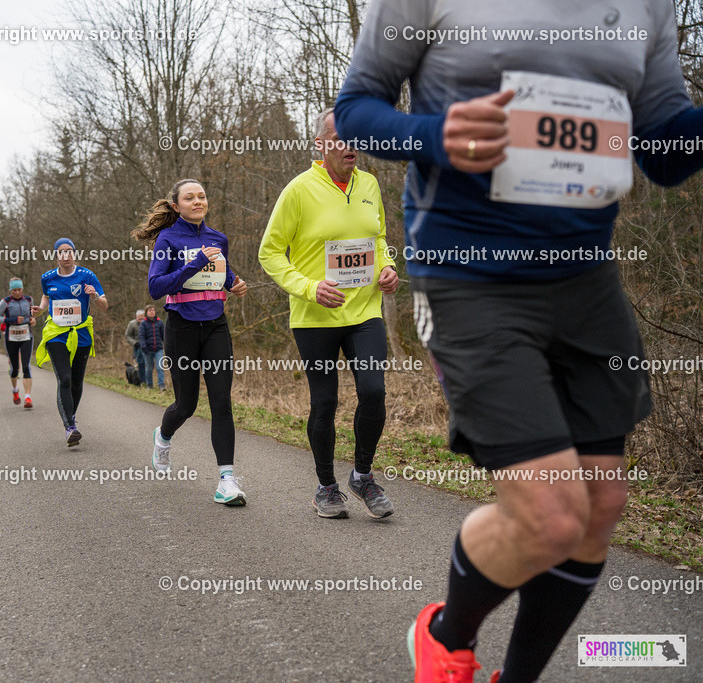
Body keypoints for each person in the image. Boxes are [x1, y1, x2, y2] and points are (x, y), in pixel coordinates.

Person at [335, 1, 703, 681]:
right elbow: (356, 108)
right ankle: (444, 636)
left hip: (586, 279)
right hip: (468, 273)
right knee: (554, 514)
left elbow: (664, 151)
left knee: (601, 506)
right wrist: (436, 134)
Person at [259, 107, 398, 520]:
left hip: (364, 311)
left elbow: (379, 238)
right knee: (324, 403)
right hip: (314, 317)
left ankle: (362, 476)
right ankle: (325, 486)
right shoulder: (299, 190)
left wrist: (388, 267)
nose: (350, 144)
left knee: (373, 392)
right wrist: (309, 288)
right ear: (321, 144)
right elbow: (269, 252)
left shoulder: (370, 184)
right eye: (340, 137)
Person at [132, 178, 249, 506]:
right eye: (190, 197)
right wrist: (193, 263)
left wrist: (234, 284)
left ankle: (226, 480)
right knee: (186, 405)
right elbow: (156, 288)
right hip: (181, 327)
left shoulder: (218, 239)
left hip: (216, 327)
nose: (198, 201)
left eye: (202, 196)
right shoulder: (167, 239)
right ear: (176, 206)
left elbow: (221, 275)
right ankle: (163, 437)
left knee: (221, 403)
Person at [33, 238, 107, 446]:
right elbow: (46, 298)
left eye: (69, 251)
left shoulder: (87, 276)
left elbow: (104, 305)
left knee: (76, 382)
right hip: (56, 333)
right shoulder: (47, 278)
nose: (65, 256)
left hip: (81, 333)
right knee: (64, 379)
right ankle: (70, 427)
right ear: (56, 255)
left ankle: (70, 417)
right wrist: (40, 310)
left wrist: (94, 296)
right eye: (61, 252)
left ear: (74, 253)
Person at [0, 278, 36, 408]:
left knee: (26, 367)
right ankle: (15, 391)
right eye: (14, 290)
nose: (17, 292)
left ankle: (28, 397)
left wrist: (32, 320)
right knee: (14, 369)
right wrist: (12, 320)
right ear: (10, 290)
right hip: (11, 337)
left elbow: (32, 315)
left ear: (22, 289)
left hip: (26, 336)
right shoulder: (5, 302)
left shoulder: (29, 300)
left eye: (19, 290)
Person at [138, 305, 165, 391]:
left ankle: (161, 385)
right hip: (147, 350)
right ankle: (149, 385)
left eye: (153, 310)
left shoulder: (160, 322)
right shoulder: (143, 323)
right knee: (149, 369)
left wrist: (167, 345)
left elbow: (164, 335)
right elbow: (141, 336)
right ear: (146, 312)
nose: (152, 312)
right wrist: (144, 347)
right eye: (150, 310)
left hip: (158, 349)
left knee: (160, 367)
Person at [125, 309, 147, 385]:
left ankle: (147, 381)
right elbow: (127, 336)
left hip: (147, 346)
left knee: (147, 364)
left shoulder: (148, 323)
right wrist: (135, 343)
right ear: (136, 317)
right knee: (138, 364)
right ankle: (139, 381)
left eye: (142, 319)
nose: (141, 321)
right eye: (139, 319)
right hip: (137, 347)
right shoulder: (132, 324)